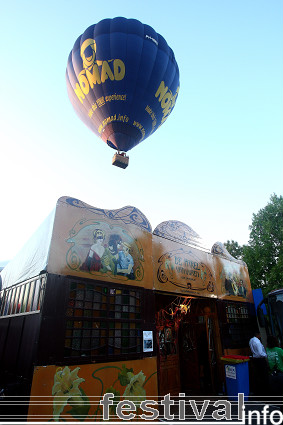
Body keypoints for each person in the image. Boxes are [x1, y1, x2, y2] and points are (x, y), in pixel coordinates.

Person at [249, 331, 270, 397]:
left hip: (255, 359)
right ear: (258, 335)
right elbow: (260, 353)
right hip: (260, 359)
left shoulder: (251, 340)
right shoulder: (257, 342)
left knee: (258, 375)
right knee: (264, 375)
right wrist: (267, 356)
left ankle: (259, 391)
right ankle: (265, 391)